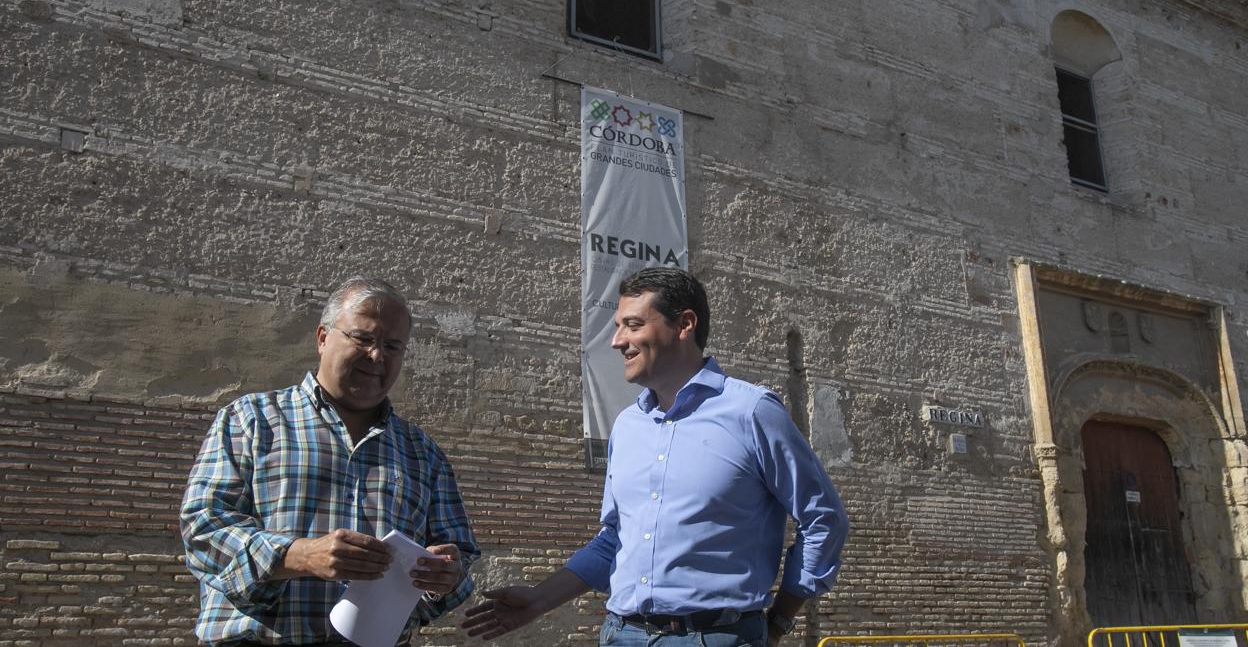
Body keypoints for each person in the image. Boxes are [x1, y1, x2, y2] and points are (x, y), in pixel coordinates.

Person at [463, 267, 848, 646]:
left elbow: (823, 519)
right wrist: (539, 599)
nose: (617, 341)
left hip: (717, 638)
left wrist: (778, 621)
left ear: (684, 324)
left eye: (632, 325)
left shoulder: (752, 412)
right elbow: (614, 539)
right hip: (620, 634)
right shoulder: (628, 426)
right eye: (618, 326)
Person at [181, 276, 479, 646]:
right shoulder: (250, 420)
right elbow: (203, 528)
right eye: (364, 338)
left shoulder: (423, 452)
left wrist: (444, 579)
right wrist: (298, 556)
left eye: (392, 345)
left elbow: (462, 561)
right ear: (323, 338)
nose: (377, 356)